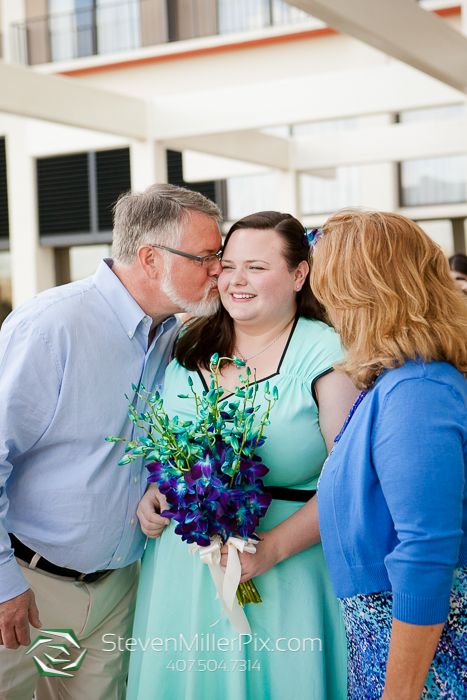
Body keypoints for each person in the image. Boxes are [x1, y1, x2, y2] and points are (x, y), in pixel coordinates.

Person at [0, 183, 222, 700]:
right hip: (29, 588)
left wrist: (157, 485)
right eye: (207, 256)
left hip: (119, 589)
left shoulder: (174, 334)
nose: (219, 268)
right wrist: (4, 586)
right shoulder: (52, 326)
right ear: (150, 259)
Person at [127, 211, 360, 700]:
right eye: (227, 265)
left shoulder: (329, 355)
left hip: (284, 567)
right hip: (182, 565)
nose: (235, 280)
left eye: (256, 267)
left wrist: (271, 548)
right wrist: (160, 488)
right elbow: (174, 444)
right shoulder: (188, 344)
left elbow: (351, 483)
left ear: (300, 275)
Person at [310, 210, 467, 700]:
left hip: (423, 654)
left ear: (357, 291)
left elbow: (427, 551)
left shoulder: (417, 388)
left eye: (324, 283)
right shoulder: (399, 381)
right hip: (392, 640)